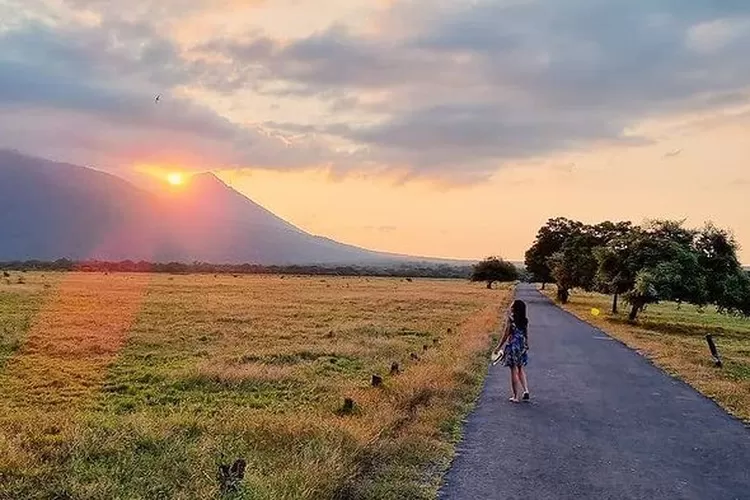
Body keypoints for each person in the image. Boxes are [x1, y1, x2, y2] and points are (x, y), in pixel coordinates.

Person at [496, 299, 530, 403]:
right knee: (520, 368)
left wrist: (499, 346)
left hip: (513, 345)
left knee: (513, 370)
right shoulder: (525, 320)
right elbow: (525, 333)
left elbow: (506, 334)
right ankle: (526, 390)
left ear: (515, 308)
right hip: (521, 345)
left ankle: (515, 396)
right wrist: (526, 344)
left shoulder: (511, 319)